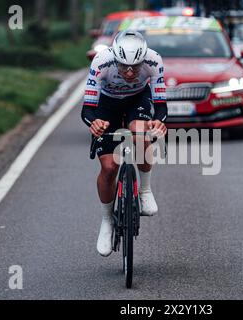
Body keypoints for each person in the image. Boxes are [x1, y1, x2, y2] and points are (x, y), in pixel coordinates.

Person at [81, 30, 167, 257]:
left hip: (137, 99)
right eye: (123, 67)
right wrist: (94, 122)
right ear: (115, 59)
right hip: (107, 103)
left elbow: (160, 104)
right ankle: (107, 220)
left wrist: (158, 121)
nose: (129, 73)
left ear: (143, 60)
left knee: (139, 131)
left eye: (135, 67)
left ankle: (145, 190)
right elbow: (87, 109)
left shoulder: (154, 60)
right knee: (109, 168)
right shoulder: (101, 61)